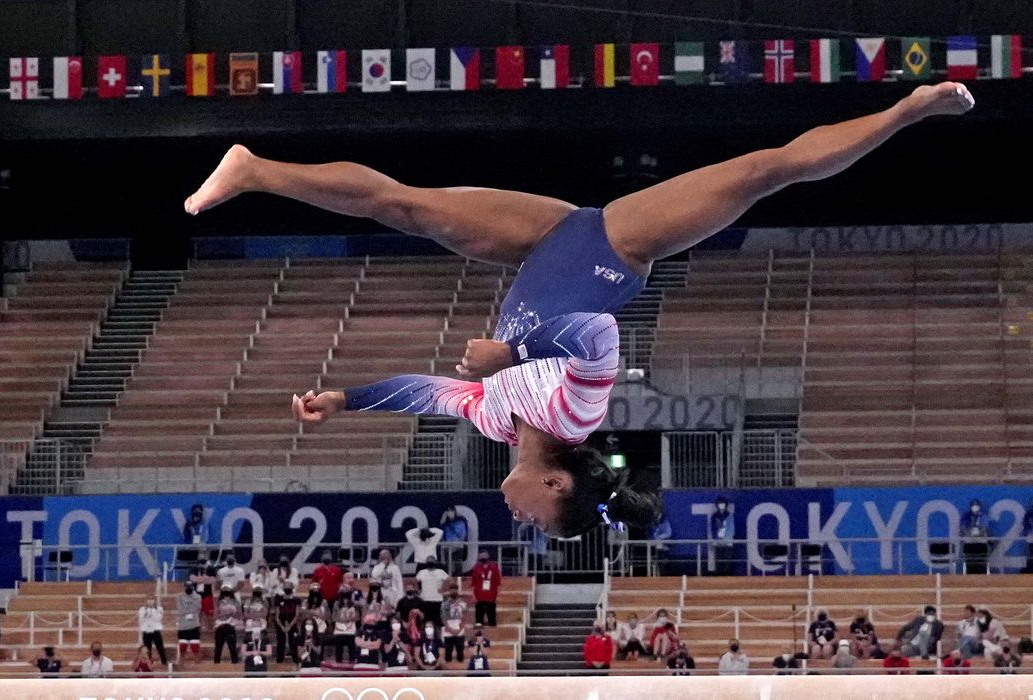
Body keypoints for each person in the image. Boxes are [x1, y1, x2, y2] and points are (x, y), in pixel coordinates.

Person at [191, 85, 980, 536]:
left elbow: (421, 393)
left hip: (542, 244)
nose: (520, 520)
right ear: (560, 487)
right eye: (538, 523)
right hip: (613, 245)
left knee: (408, 208)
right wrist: (516, 354)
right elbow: (594, 331)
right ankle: (907, 110)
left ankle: (256, 169)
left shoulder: (496, 422)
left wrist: (345, 398)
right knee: (758, 173)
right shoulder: (574, 411)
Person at [273, 580, 302, 664]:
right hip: (280, 623)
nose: (287, 588)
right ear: (283, 588)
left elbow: (297, 614)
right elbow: (277, 615)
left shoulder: (296, 599)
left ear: (292, 588)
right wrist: (282, 626)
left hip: (292, 622)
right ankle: (279, 662)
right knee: (280, 643)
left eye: (289, 586)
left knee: (293, 643)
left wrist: (290, 625)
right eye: (286, 586)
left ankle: (295, 661)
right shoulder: (279, 599)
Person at [470, 550, 501, 626]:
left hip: (491, 595)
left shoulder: (494, 567)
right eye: (481, 557)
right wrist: (473, 595)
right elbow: (473, 582)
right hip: (479, 595)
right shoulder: (477, 568)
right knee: (479, 620)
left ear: (488, 557)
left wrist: (498, 595)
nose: (483, 558)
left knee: (492, 619)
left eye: (484, 556)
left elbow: (498, 581)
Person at [961, 499, 992, 574]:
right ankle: (969, 574)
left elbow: (985, 528)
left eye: (977, 505)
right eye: (974, 505)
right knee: (970, 560)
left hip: (981, 542)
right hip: (969, 542)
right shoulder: (966, 515)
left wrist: (979, 535)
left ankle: (982, 574)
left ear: (980, 506)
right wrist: (969, 535)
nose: (975, 507)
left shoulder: (984, 516)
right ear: (971, 506)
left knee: (981, 561)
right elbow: (963, 527)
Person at [416, 557, 450, 626]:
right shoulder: (421, 572)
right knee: (426, 622)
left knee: (439, 622)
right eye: (429, 561)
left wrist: (443, 588)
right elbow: (415, 581)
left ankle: (439, 636)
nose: (430, 562)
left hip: (438, 600)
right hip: (425, 600)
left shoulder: (441, 572)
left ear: (435, 562)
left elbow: (449, 579)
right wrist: (419, 590)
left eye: (432, 561)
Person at [331, 585, 361, 663]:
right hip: (339, 631)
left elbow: (358, 617)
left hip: (351, 631)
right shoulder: (336, 604)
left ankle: (352, 669)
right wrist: (342, 619)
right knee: (338, 653)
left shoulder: (354, 604)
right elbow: (333, 617)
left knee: (352, 653)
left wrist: (349, 619)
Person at [213, 585, 241, 664]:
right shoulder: (218, 602)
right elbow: (215, 615)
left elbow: (239, 615)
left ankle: (235, 666)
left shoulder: (235, 602)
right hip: (220, 626)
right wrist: (225, 614)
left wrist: (231, 614)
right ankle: (216, 666)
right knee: (218, 648)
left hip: (231, 625)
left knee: (232, 648)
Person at [708, 496, 736, 575]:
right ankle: (719, 574)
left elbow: (732, 528)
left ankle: (728, 574)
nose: (721, 505)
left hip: (727, 541)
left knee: (728, 558)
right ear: (717, 505)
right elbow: (713, 528)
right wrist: (715, 538)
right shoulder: (714, 516)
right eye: (720, 503)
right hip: (718, 542)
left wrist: (727, 537)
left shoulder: (729, 515)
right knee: (719, 558)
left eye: (723, 503)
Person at [440, 583, 468, 663]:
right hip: (448, 631)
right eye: (451, 590)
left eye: (455, 590)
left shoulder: (463, 604)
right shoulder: (444, 604)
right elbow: (443, 618)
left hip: (460, 631)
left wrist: (459, 629)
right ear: (449, 591)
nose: (453, 592)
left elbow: (465, 618)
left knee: (460, 653)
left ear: (457, 591)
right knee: (448, 653)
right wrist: (450, 630)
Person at [176, 581, 202, 663]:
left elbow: (197, 608)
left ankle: (198, 668)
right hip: (182, 626)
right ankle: (181, 666)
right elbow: (180, 610)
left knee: (196, 649)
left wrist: (187, 611)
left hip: (194, 625)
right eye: (187, 586)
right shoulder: (179, 597)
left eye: (190, 586)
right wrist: (190, 612)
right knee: (182, 649)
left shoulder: (198, 597)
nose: (188, 588)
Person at [138, 595, 168, 666]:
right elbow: (141, 618)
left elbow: (158, 618)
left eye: (152, 600)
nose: (150, 602)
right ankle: (148, 663)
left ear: (154, 601)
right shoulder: (142, 609)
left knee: (160, 647)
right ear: (146, 601)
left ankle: (164, 661)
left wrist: (153, 611)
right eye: (149, 600)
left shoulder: (159, 609)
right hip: (146, 631)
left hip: (156, 631)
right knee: (147, 649)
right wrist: (147, 611)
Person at [440, 507, 468, 574]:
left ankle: (459, 581)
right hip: (447, 547)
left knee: (458, 565)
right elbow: (441, 535)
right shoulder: (445, 524)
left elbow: (463, 535)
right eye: (448, 511)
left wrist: (458, 544)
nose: (450, 513)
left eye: (451, 511)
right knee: (447, 566)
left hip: (457, 547)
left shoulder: (461, 522)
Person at [649, 507, 673, 575]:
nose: (656, 515)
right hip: (651, 545)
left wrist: (659, 537)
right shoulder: (651, 524)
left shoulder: (665, 523)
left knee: (660, 547)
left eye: (658, 514)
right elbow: (650, 535)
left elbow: (668, 533)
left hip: (662, 545)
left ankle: (662, 571)